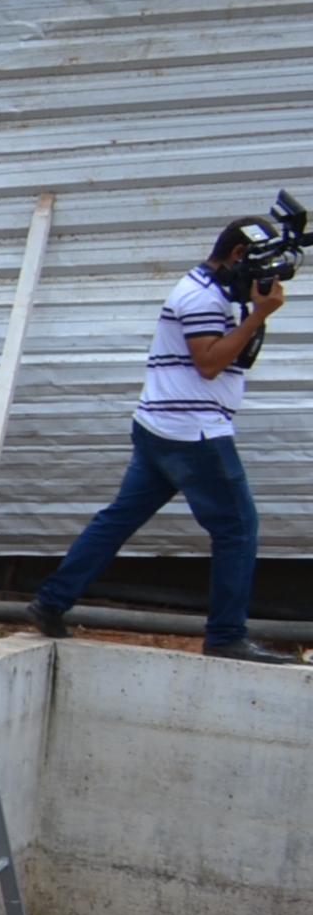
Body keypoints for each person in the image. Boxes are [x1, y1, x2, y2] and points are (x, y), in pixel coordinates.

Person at [27, 210, 296, 662]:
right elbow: (209, 363)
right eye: (259, 266)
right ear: (236, 254)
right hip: (193, 434)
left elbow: (237, 360)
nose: (263, 277)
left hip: (159, 426)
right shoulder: (202, 299)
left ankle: (52, 601)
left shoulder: (208, 288)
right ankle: (226, 634)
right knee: (238, 528)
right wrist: (258, 315)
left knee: (118, 519)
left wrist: (252, 310)